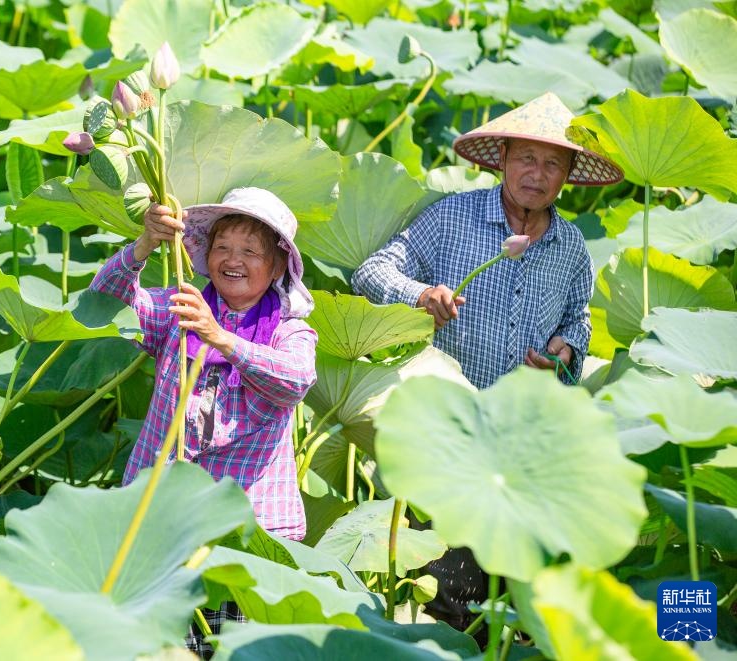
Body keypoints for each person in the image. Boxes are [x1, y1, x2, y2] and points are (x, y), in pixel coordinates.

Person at [351, 92, 623, 637]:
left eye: (552, 164)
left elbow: (579, 326)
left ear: (568, 174)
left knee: (512, 595)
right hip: (445, 428)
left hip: (522, 437)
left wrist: (564, 353)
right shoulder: (452, 217)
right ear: (502, 157)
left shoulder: (571, 246)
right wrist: (422, 294)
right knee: (446, 589)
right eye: (526, 158)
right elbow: (371, 272)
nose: (537, 174)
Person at [89, 187, 318, 657]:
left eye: (250, 251)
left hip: (248, 533)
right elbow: (104, 302)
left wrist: (218, 336)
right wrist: (143, 245)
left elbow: (295, 381)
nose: (232, 260)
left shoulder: (289, 330)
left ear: (277, 267)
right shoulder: (182, 307)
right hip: (162, 521)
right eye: (222, 247)